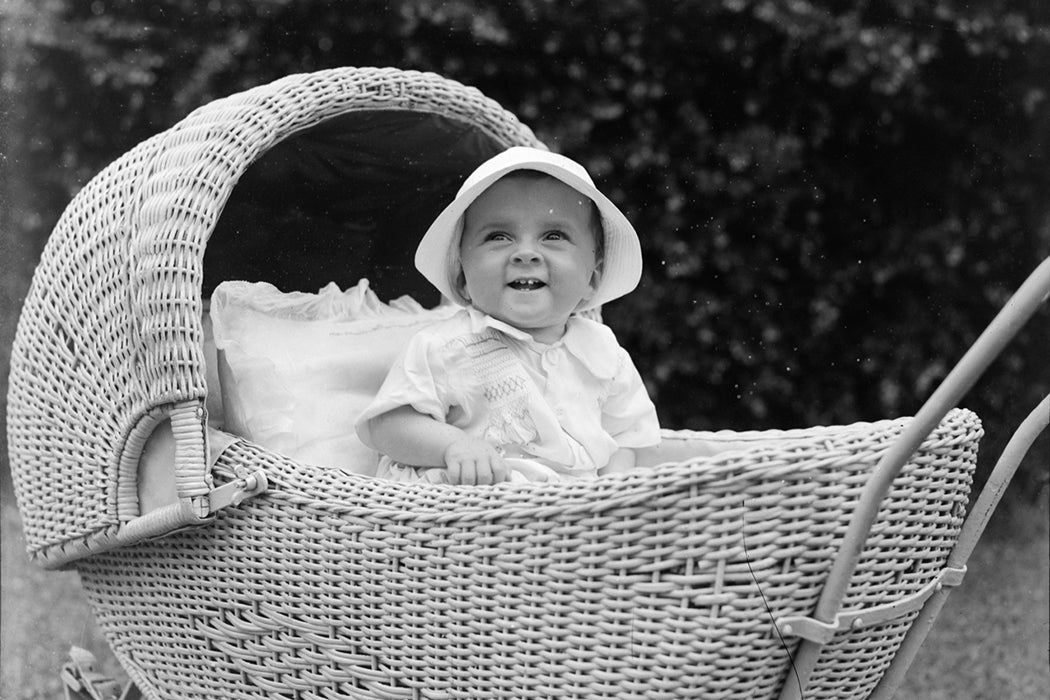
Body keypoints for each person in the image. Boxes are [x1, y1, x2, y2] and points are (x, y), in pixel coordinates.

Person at [355, 146, 660, 485]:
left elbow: (627, 438)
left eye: (554, 236)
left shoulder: (606, 354)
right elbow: (389, 425)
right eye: (498, 236)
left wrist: (613, 490)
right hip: (475, 514)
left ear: (592, 279)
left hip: (576, 520)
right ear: (462, 279)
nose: (526, 253)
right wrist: (454, 446)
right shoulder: (446, 347)